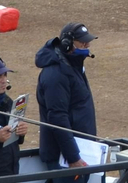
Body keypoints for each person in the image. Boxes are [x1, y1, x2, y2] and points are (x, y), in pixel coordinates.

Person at [36, 23, 99, 177]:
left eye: (87, 42)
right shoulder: (56, 74)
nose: (87, 45)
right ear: (67, 44)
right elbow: (58, 118)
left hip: (78, 152)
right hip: (66, 159)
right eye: (82, 42)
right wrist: (73, 157)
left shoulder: (72, 66)